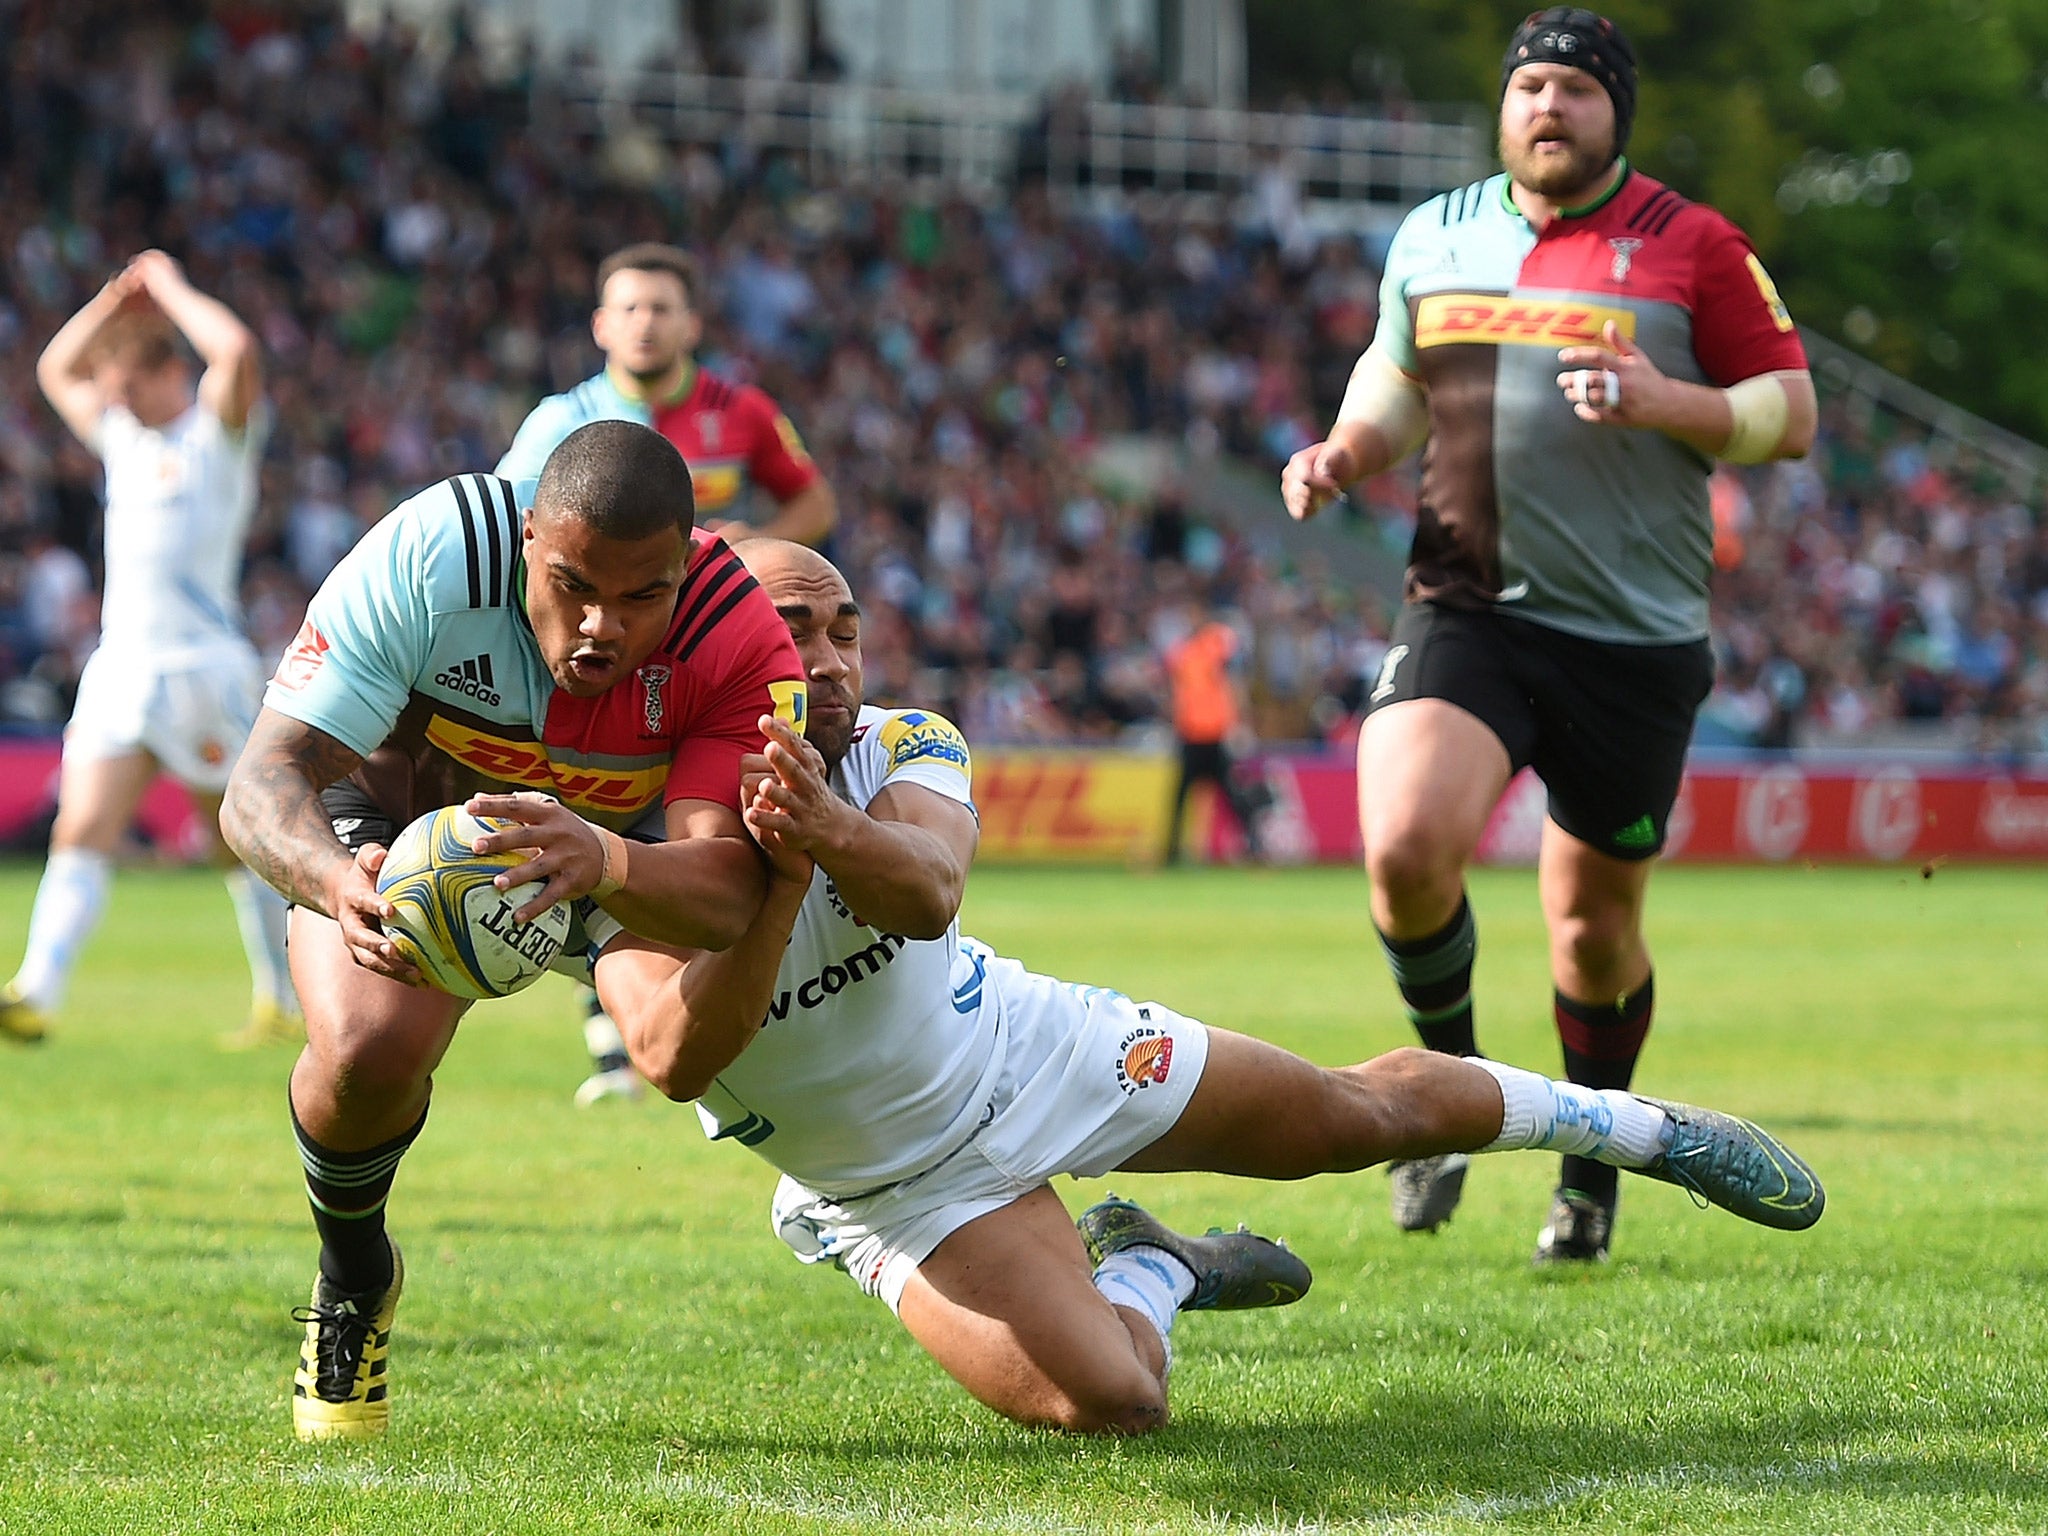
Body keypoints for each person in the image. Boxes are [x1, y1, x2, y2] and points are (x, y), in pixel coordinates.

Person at [593, 540, 1823, 1437]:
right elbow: (672, 1059)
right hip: (888, 1190)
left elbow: (927, 890)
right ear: (725, 641)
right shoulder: (630, 831)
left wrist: (818, 828)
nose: (833, 657)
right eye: (797, 627)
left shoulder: (902, 742)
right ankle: (1152, 1266)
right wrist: (780, 868)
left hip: (1029, 1055)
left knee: (1350, 1120)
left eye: (846, 626)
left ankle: (1650, 1133)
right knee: (1115, 1405)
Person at [1280, 8, 1818, 1264]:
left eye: (1575, 89)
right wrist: (1344, 451)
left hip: (1630, 640)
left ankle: (1588, 1171)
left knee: (1589, 930)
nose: (1548, 106)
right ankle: (1449, 1102)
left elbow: (1787, 414)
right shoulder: (1433, 232)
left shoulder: (1693, 245)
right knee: (1406, 846)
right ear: (1502, 108)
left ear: (1613, 112)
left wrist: (1662, 400)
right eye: (1529, 85)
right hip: (1464, 605)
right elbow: (1394, 372)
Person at [218, 421, 806, 1441]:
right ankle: (355, 1274)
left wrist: (610, 860)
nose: (599, 628)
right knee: (366, 1045)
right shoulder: (432, 552)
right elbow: (260, 784)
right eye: (574, 584)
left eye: (639, 597)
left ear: (688, 561)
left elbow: (727, 887)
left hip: (620, 850)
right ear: (529, 533)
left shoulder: (737, 632)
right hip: (409, 825)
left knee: (672, 1048)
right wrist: (331, 878)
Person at [496, 241, 838, 1105]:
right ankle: (615, 1034)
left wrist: (735, 561)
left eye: (662, 308)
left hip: (703, 658)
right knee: (588, 815)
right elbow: (512, 536)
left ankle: (772, 994)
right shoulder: (559, 421)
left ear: (692, 323)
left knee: (703, 828)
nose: (646, 323)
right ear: (602, 325)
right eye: (631, 308)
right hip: (592, 655)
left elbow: (817, 501)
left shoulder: (743, 412)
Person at [2, 250, 300, 1051]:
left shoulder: (218, 436)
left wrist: (167, 287)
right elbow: (53, 366)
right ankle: (36, 991)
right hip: (121, 667)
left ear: (168, 374)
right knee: (80, 830)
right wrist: (112, 299)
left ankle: (284, 1000)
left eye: (125, 386)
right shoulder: (122, 440)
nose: (111, 402)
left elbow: (235, 350)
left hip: (203, 668)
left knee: (236, 842)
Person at [1162, 613, 1266, 864]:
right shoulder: (1188, 652)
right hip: (1196, 734)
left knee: (1227, 796)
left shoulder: (1206, 647)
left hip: (1211, 734)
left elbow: (1231, 682)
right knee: (1187, 795)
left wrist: (1236, 722)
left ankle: (1253, 846)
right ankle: (1173, 850)